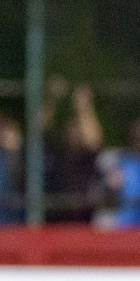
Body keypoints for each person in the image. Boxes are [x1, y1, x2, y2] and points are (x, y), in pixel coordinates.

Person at [43, 82, 103, 224]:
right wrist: (51, 99)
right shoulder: (57, 152)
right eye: (71, 127)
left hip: (82, 221)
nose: (75, 132)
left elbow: (94, 140)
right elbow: (40, 129)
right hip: (55, 222)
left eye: (78, 129)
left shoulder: (87, 157)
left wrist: (83, 107)